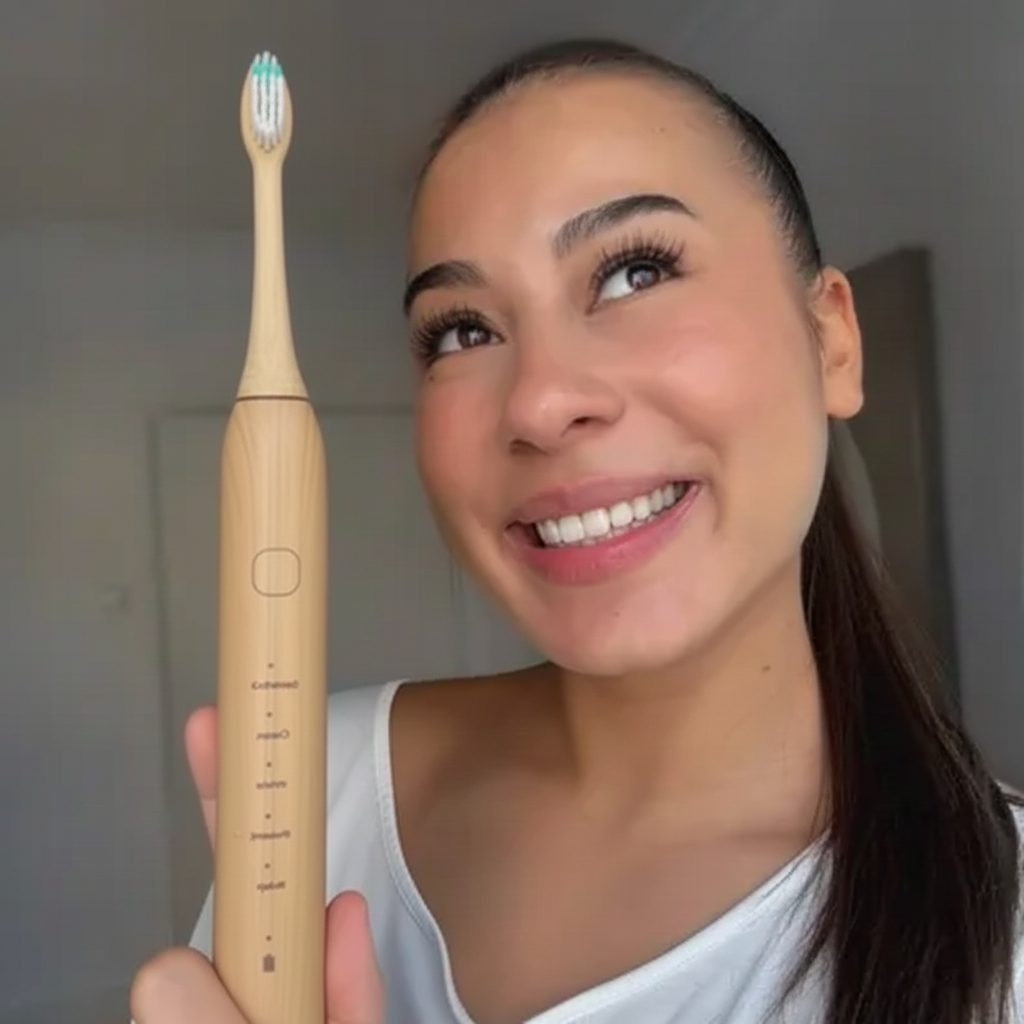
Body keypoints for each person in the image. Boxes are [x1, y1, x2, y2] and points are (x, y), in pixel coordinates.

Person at [130, 38, 1024, 1024]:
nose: (541, 402)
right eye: (463, 331)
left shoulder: (1004, 933)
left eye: (635, 271)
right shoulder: (311, 786)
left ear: (833, 342)